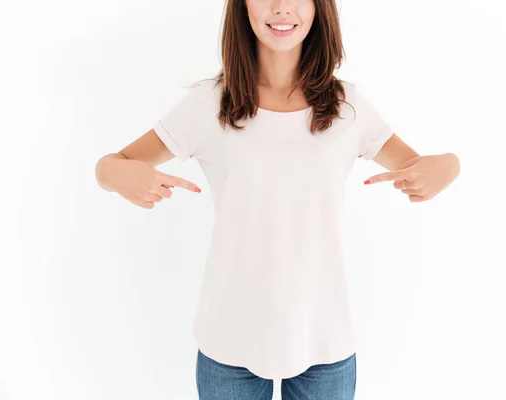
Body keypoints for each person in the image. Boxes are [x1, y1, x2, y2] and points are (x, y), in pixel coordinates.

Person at [94, 0, 460, 398]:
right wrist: (116, 173)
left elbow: (416, 164)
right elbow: (112, 165)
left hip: (324, 338)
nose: (282, 7)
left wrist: (450, 166)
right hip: (229, 338)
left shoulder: (347, 107)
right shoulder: (209, 104)